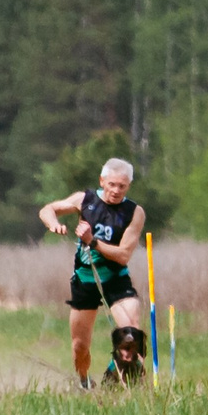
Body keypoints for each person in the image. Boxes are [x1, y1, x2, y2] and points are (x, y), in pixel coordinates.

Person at [38, 158, 148, 387]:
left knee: (132, 333)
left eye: (122, 186)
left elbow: (123, 255)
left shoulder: (134, 212)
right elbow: (48, 209)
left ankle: (115, 376)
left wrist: (92, 241)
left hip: (116, 279)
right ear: (102, 181)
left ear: (128, 186)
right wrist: (53, 224)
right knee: (80, 346)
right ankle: (84, 383)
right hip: (85, 280)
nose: (116, 191)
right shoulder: (85, 200)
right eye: (112, 184)